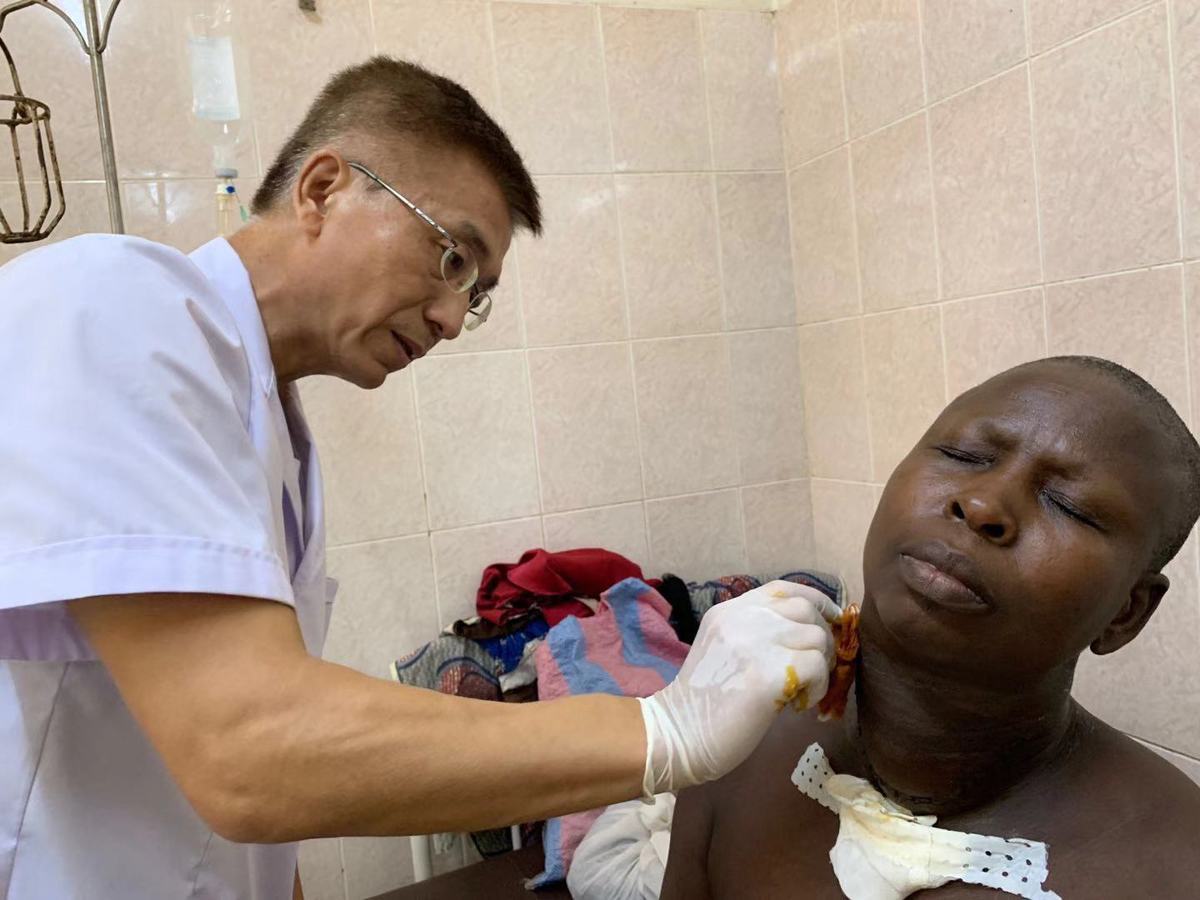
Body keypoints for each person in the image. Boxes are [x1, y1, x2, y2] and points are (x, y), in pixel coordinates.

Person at [0, 58, 840, 899]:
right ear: (323, 190)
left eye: (476, 294)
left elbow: (266, 789)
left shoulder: (268, 422)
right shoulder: (115, 304)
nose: (452, 319)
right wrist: (664, 728)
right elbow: (249, 749)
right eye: (451, 259)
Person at [661, 356, 1200, 899]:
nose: (982, 504)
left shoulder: (1174, 866)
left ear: (1125, 613)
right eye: (963, 455)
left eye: (1069, 506)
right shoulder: (739, 730)